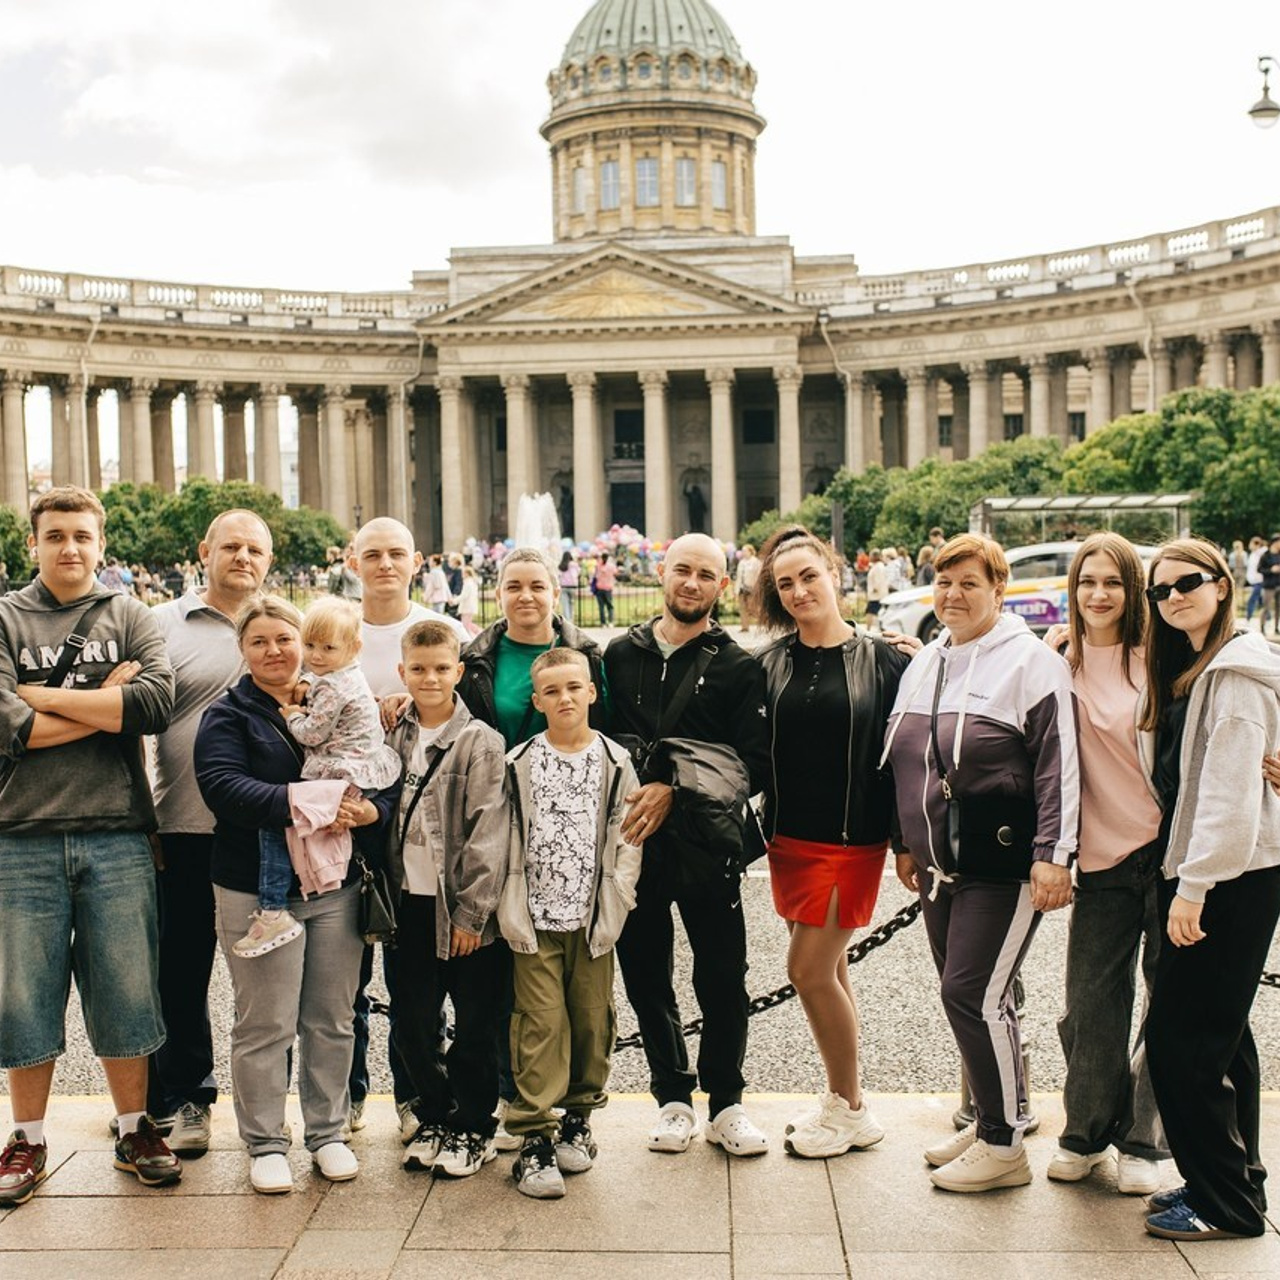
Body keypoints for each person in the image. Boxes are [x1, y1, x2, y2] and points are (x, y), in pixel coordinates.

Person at [882, 533, 1079, 1193]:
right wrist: (904, 844)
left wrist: (1053, 856)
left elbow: (1059, 765)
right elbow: (907, 760)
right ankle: (1007, 1113)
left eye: (970, 583)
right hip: (940, 864)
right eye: (944, 582)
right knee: (978, 998)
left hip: (1002, 862)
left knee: (971, 993)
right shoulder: (930, 658)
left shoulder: (1029, 663)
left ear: (999, 589)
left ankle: (1001, 1147)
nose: (953, 595)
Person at [0, 486, 178, 1207]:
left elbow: (154, 703)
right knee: (22, 998)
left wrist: (39, 694)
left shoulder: (128, 612)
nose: (70, 548)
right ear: (33, 545)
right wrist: (100, 706)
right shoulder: (6, 616)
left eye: (82, 535)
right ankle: (27, 1137)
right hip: (19, 837)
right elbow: (12, 730)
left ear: (101, 544)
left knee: (127, 990)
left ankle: (135, 1126)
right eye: (56, 536)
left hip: (118, 834)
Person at [194, 596, 397, 1194]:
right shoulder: (229, 713)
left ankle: (328, 1132)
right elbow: (222, 788)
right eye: (261, 642)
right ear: (243, 650)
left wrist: (366, 811)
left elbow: (380, 771)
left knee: (332, 1017)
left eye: (286, 638)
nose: (279, 651)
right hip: (256, 888)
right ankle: (264, 1142)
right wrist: (309, 802)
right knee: (265, 1021)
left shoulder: (335, 694)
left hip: (336, 880)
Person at [604, 532, 771, 1158]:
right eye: (681, 571)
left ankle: (726, 1102)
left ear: (722, 586)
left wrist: (673, 785)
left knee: (723, 978)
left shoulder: (737, 665)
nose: (691, 583)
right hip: (635, 844)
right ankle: (671, 1096)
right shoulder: (620, 654)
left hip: (708, 846)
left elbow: (753, 765)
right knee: (647, 976)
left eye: (706, 574)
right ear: (661, 573)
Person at [753, 526, 910, 1158]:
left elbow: (913, 759)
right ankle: (842, 1096)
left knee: (807, 970)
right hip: (789, 837)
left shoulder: (889, 659)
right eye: (784, 583)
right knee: (833, 970)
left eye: (807, 576)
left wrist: (908, 841)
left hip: (853, 840)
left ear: (835, 575)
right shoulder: (768, 662)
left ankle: (851, 1109)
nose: (797, 591)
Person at [1140, 539, 1280, 1241]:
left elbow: (1227, 799)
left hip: (1227, 877)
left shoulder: (1235, 674)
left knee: (1180, 1043)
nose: (1171, 598)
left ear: (1223, 584)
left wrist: (1192, 890)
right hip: (1218, 871)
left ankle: (1225, 1204)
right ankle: (1229, 1181)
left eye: (1186, 584)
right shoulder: (1193, 669)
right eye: (1158, 591)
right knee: (1225, 1043)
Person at [457, 546, 607, 1149]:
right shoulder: (475, 660)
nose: (526, 597)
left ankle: (563, 1109)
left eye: (536, 586)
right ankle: (516, 1097)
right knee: (512, 982)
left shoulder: (588, 656)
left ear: (556, 591)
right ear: (499, 594)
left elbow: (610, 746)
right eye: (514, 586)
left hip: (567, 837)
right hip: (500, 823)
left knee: (573, 1000)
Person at [1039, 533, 1168, 1195]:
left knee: (1166, 1005)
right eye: (1088, 580)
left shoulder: (1162, 656)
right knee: (1091, 1003)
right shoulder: (1056, 657)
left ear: (1132, 590)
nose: (1099, 593)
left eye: (1113, 582)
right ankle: (1086, 1132)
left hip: (1167, 856)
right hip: (1100, 860)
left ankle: (1145, 1141)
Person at [146, 508, 274, 1156]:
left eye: (255, 549)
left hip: (266, 834)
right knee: (181, 968)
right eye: (231, 546)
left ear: (269, 561)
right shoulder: (162, 625)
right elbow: (130, 727)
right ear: (204, 550)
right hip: (185, 824)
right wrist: (143, 815)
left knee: (270, 978)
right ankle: (188, 1096)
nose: (243, 557)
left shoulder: (282, 628)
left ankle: (278, 1108)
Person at [500, 648, 642, 1199]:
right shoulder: (518, 763)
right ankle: (534, 1133)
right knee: (539, 1025)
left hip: (592, 922)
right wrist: (509, 909)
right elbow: (507, 835)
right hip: (533, 919)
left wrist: (619, 901)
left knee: (590, 1021)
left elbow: (627, 836)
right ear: (537, 701)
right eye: (552, 691)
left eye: (574, 688)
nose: (564, 698)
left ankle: (579, 1117)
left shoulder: (614, 760)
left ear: (591, 692)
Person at [346, 518, 465, 1142]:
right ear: (352, 560)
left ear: (416, 560)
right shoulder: (334, 626)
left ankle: (413, 1095)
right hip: (345, 827)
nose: (385, 564)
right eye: (373, 554)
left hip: (411, 829)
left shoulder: (444, 629)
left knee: (411, 981)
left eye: (396, 553)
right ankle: (349, 1094)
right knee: (345, 979)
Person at [385, 619, 509, 1179]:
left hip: (459, 906)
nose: (429, 678)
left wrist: (473, 911)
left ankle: (474, 1125)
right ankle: (434, 1113)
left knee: (476, 1021)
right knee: (412, 1020)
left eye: (441, 669)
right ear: (402, 672)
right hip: (405, 903)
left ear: (458, 671)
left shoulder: (479, 741)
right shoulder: (393, 733)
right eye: (419, 669)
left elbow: (490, 831)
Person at [236, 597, 400, 959]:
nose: (317, 656)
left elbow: (311, 734)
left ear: (354, 647)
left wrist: (292, 715)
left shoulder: (329, 687)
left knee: (279, 827)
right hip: (361, 767)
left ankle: (273, 907)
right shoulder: (345, 675)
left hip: (342, 768)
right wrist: (308, 684)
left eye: (327, 648)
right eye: (310, 646)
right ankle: (318, 883)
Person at [734, 544, 761, 633]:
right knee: (743, 608)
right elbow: (738, 577)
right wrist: (736, 590)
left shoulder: (756, 562)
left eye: (745, 551)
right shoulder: (741, 562)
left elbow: (759, 576)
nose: (743, 553)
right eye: (742, 551)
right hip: (742, 588)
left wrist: (757, 587)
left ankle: (763, 624)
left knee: (753, 608)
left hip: (751, 588)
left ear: (750, 551)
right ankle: (744, 627)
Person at [593, 550, 617, 627]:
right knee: (609, 606)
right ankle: (610, 621)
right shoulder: (611, 566)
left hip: (599, 587)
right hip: (608, 588)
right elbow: (615, 573)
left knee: (601, 607)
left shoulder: (598, 566)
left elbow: (595, 576)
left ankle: (603, 623)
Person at [557, 550, 579, 623]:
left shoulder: (561, 565)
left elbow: (559, 575)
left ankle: (567, 620)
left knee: (565, 604)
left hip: (564, 586)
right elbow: (578, 572)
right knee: (571, 603)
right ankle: (571, 619)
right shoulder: (574, 564)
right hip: (573, 586)